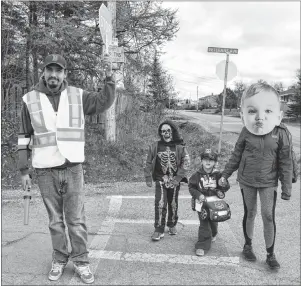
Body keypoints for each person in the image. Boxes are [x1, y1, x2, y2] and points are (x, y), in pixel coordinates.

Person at [17, 54, 115, 284]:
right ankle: (59, 258)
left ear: (64, 74)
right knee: (55, 221)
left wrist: (109, 78)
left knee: (76, 219)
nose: (53, 75)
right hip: (44, 170)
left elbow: (103, 102)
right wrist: (23, 170)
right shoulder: (29, 99)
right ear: (43, 73)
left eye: (58, 70)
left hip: (72, 168)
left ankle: (81, 261)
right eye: (49, 70)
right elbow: (23, 136)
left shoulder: (78, 96)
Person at [218, 82, 296, 270]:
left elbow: (286, 162)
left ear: (278, 115)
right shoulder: (247, 131)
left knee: (268, 216)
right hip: (247, 180)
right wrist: (225, 175)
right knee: (250, 213)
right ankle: (248, 246)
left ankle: (270, 254)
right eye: (253, 111)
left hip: (269, 182)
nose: (261, 117)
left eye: (268, 111)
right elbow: (236, 155)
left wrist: (286, 188)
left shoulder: (281, 132)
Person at [144, 120, 190, 241]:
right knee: (160, 204)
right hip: (161, 180)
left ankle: (172, 224)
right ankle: (159, 229)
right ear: (160, 133)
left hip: (174, 181)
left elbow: (186, 162)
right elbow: (148, 161)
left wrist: (178, 178)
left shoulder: (179, 146)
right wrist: (148, 177)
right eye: (163, 131)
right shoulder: (155, 146)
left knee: (173, 204)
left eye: (168, 130)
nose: (166, 133)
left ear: (172, 131)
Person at [188, 148, 230, 256]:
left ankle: (214, 232)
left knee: (214, 221)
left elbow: (225, 187)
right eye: (205, 159)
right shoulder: (196, 175)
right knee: (204, 223)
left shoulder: (218, 175)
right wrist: (198, 195)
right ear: (201, 161)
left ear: (215, 162)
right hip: (201, 203)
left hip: (214, 204)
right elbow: (191, 187)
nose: (208, 162)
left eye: (211, 160)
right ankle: (202, 245)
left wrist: (224, 185)